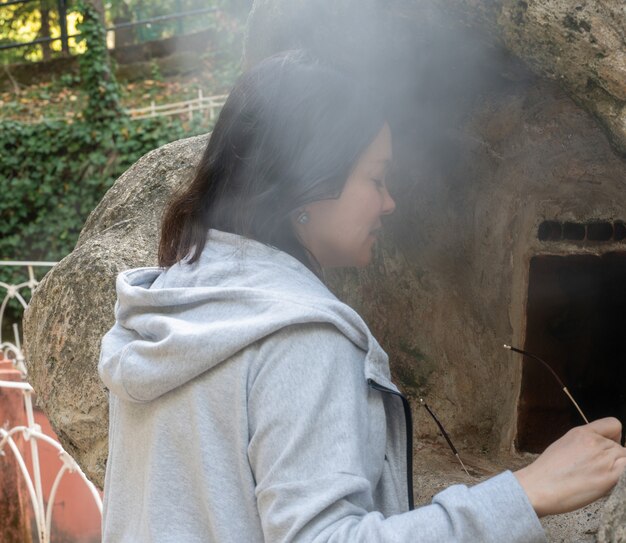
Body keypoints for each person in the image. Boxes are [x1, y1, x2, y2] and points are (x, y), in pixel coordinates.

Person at [99, 50, 626, 542]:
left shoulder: (160, 312)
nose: (390, 202)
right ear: (307, 181)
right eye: (376, 179)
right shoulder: (299, 339)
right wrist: (527, 492)